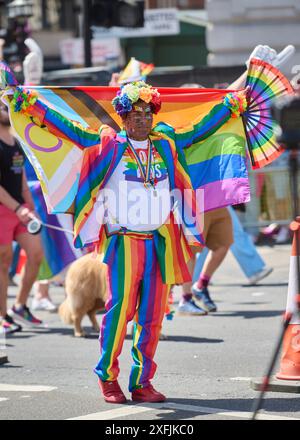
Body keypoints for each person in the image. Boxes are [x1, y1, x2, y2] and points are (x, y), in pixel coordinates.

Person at [0, 103, 43, 334]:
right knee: (3, 262)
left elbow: (23, 180)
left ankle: (20, 305)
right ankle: (2, 316)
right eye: (3, 107)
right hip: (4, 210)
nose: (7, 110)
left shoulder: (15, 142)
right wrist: (18, 208)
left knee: (36, 254)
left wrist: (31, 208)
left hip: (20, 209)